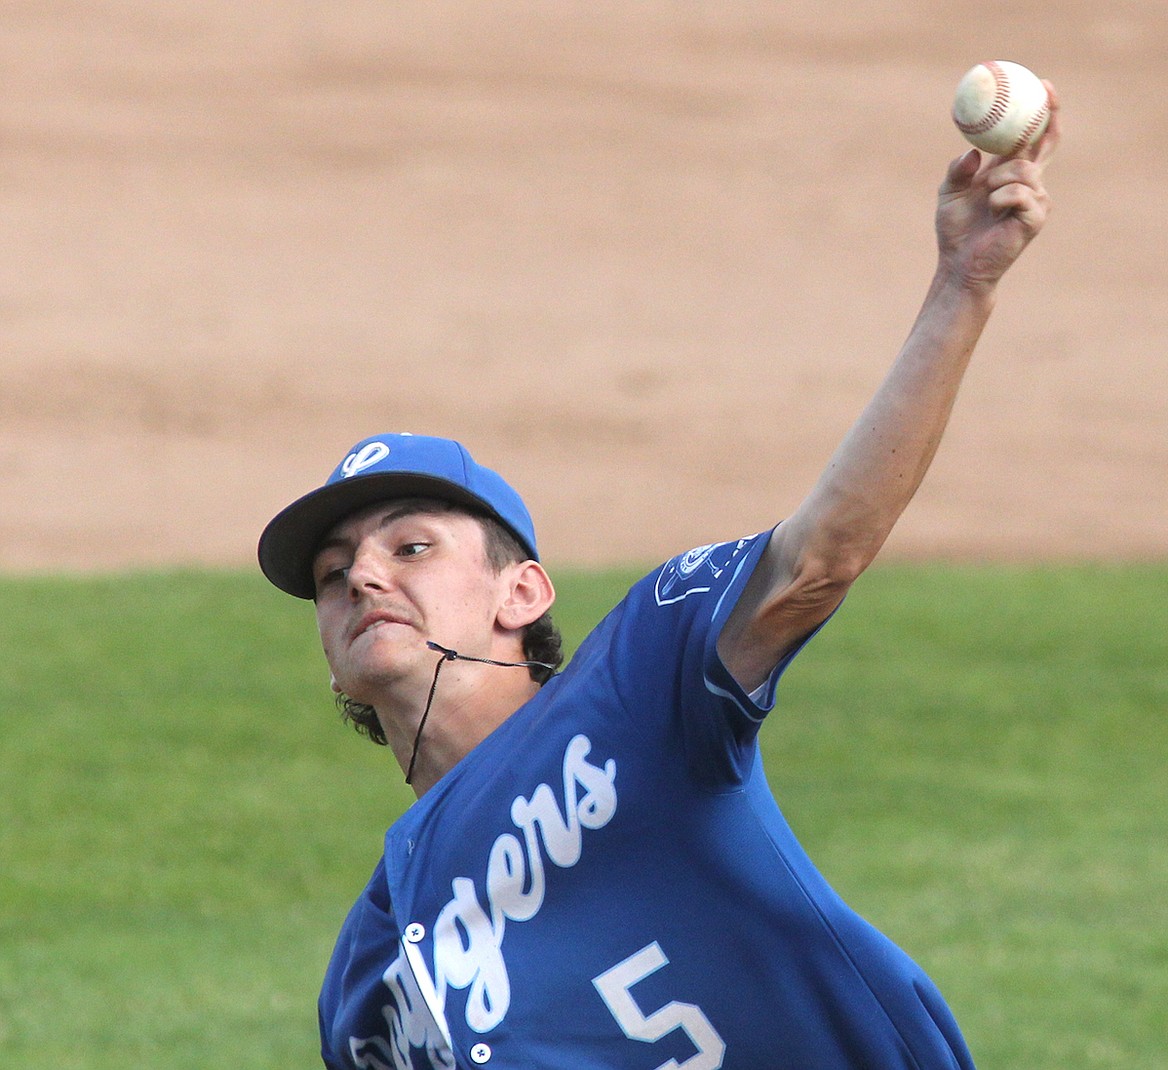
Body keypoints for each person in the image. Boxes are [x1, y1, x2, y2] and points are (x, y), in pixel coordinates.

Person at [257, 88, 1060, 1070]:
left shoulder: (637, 687)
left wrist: (962, 286)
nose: (361, 576)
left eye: (409, 546)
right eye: (334, 574)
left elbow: (818, 561)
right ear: (334, 667)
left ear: (525, 594)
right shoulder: (368, 978)